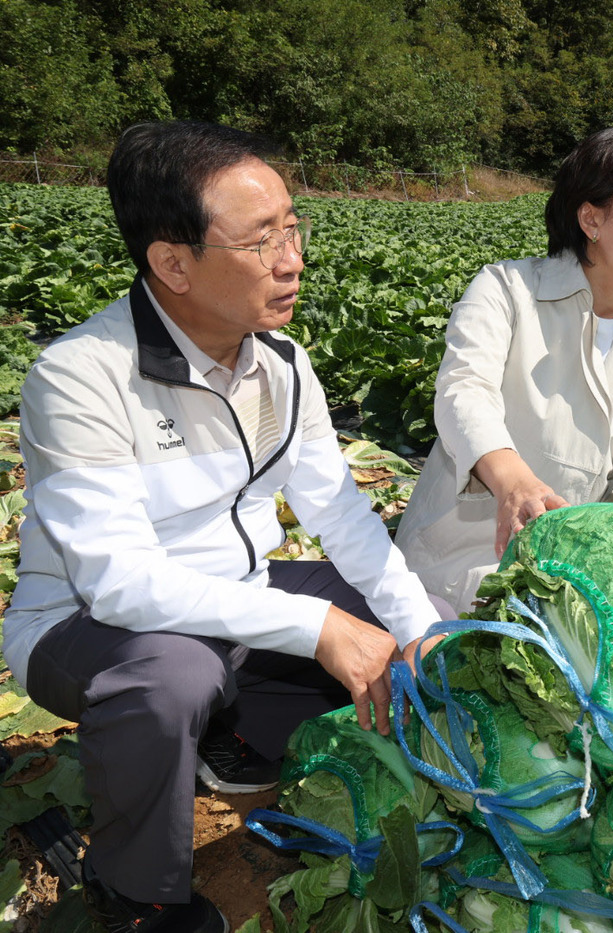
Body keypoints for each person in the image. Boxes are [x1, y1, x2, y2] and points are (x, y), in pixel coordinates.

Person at [7, 121, 443, 933]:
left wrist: (420, 629)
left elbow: (341, 512)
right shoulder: (80, 375)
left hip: (233, 594)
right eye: (260, 240)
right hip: (87, 625)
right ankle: (139, 889)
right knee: (172, 673)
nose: (292, 258)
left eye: (291, 227)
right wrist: (315, 625)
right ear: (173, 263)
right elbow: (120, 583)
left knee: (389, 601)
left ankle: (232, 736)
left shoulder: (281, 362)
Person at [395, 126, 613, 613]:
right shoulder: (506, 290)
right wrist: (513, 480)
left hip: (572, 554)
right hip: (466, 553)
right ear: (591, 219)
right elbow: (463, 393)